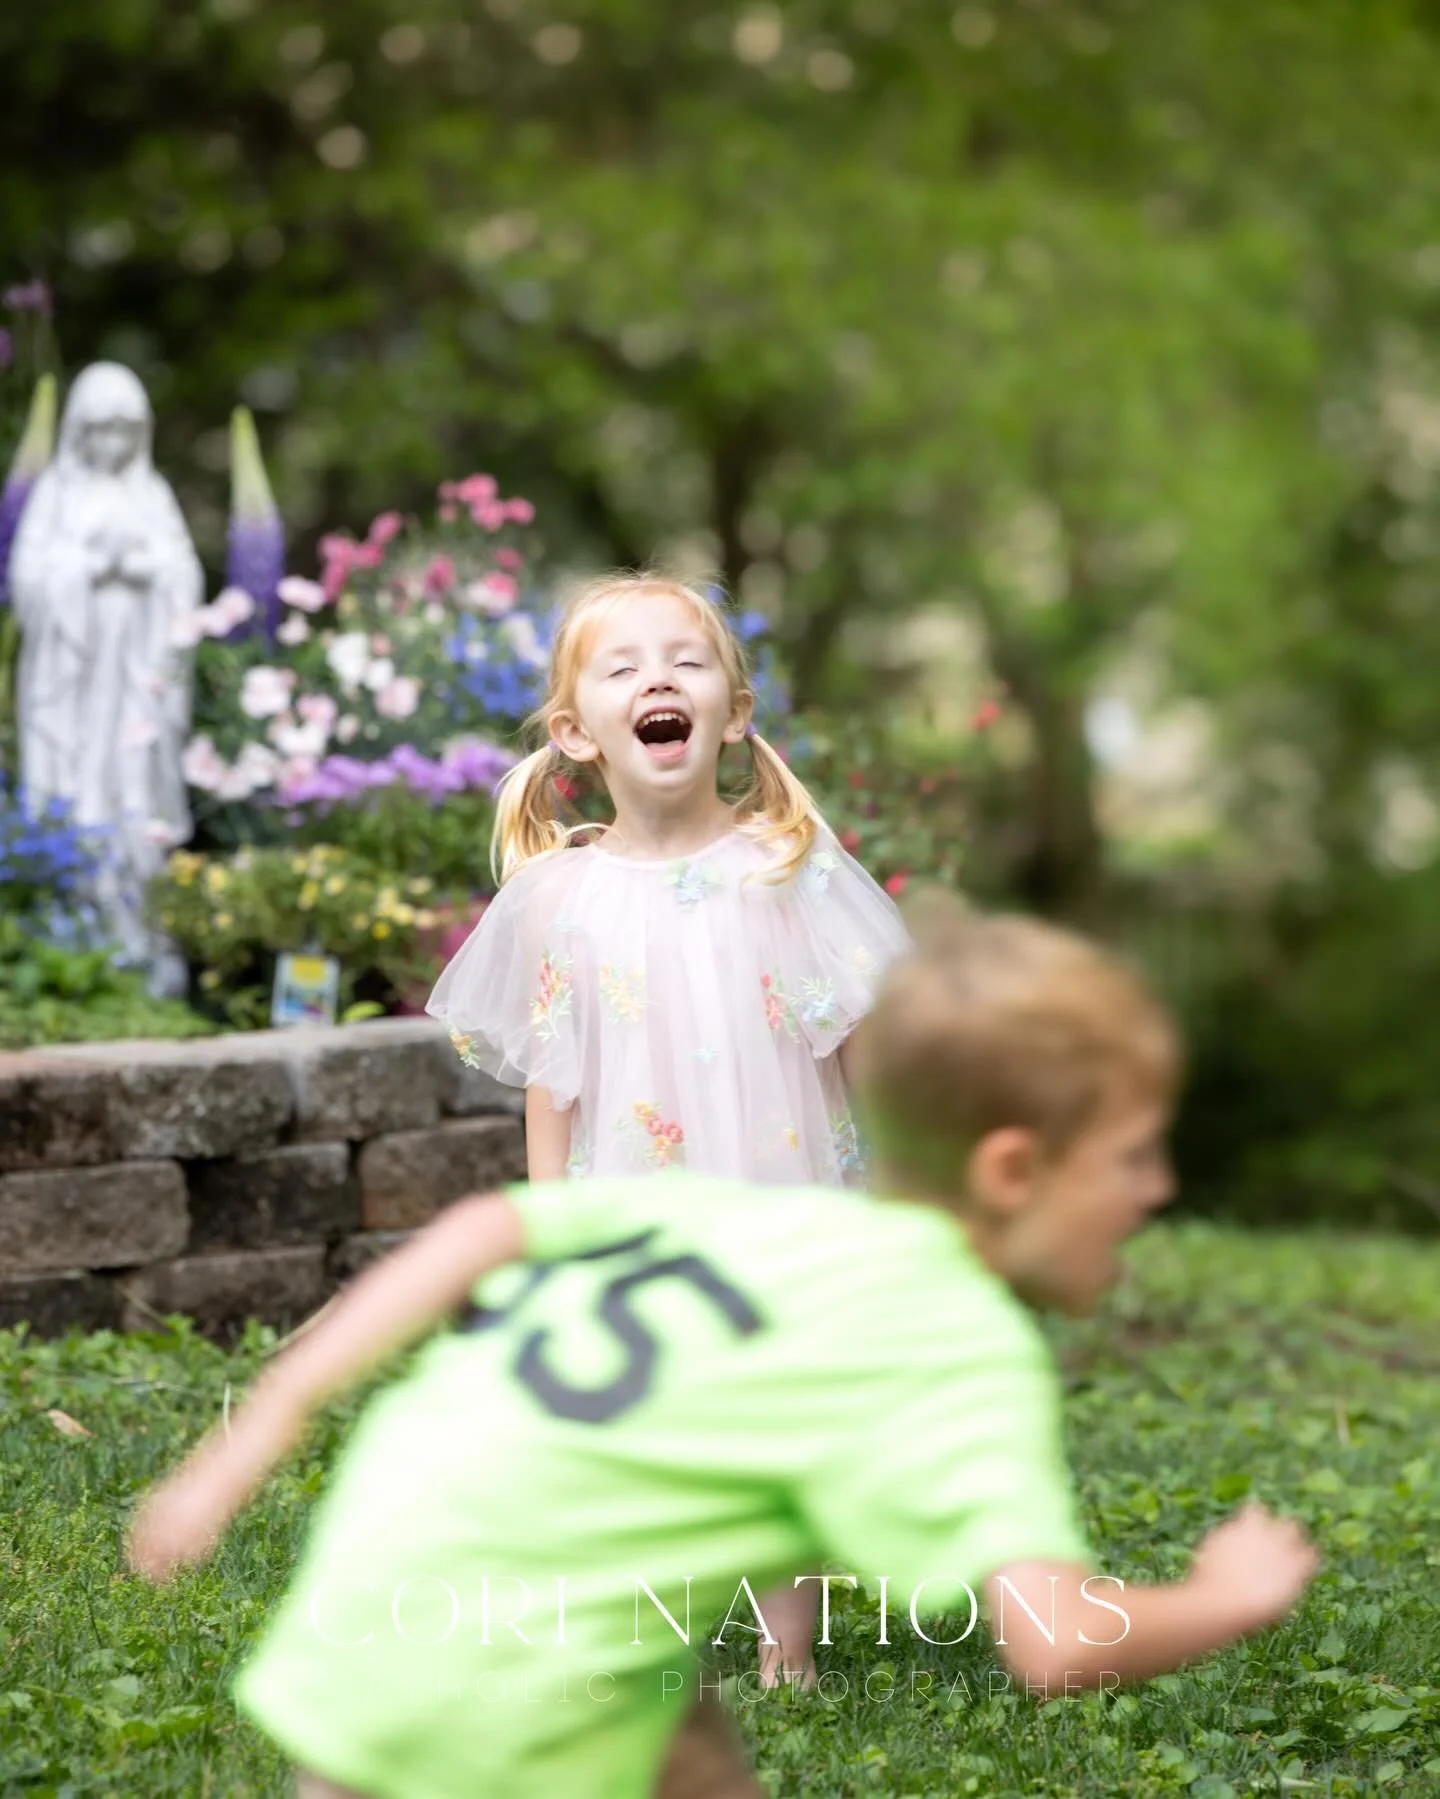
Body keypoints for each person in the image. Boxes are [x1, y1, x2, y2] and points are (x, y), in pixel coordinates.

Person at [130, 901, 1318, 1799]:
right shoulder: (946, 1339)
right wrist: (1225, 1595)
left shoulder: (747, 1212)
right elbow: (1056, 1640)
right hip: (507, 1701)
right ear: (1013, 1168)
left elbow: (486, 1224)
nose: (1158, 1189)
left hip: (379, 1600)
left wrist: (258, 1428)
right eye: (1134, 1157)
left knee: (674, 1710)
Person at [427, 569, 911, 1682]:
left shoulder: (784, 867)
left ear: (733, 713)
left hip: (780, 1190)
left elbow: (854, 1045)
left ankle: (790, 1652)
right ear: (575, 731)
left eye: (688, 661)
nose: (660, 678)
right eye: (626, 665)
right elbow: (552, 1078)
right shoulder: (558, 897)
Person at [9, 361, 202, 986]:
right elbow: (29, 579)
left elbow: (183, 575)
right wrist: (88, 567)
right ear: (78, 432)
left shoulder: (152, 495)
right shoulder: (55, 495)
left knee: (131, 791)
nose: (114, 446)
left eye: (127, 431)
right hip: (73, 685)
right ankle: (70, 931)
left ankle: (139, 937)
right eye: (102, 431)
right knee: (76, 791)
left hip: (135, 685)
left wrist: (146, 571)